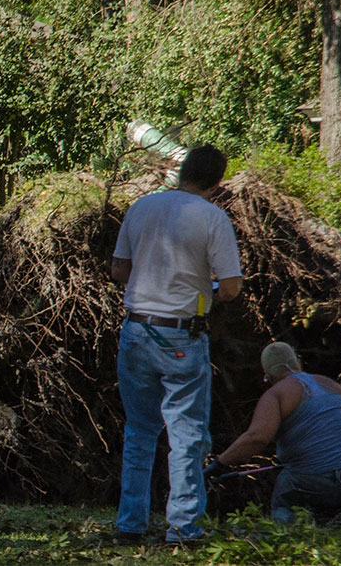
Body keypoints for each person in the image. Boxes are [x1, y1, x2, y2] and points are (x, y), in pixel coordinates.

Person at [110, 144, 243, 544]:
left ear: (182, 170)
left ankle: (129, 525)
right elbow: (232, 287)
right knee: (185, 435)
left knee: (139, 431)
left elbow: (119, 269)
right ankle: (184, 529)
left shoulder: (142, 207)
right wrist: (210, 289)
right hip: (181, 337)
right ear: (217, 181)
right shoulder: (213, 218)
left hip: (135, 330)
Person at [204, 342, 341, 525]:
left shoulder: (275, 395)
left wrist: (219, 464)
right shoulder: (329, 384)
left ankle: (304, 526)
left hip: (314, 480)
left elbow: (257, 438)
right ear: (297, 362)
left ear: (268, 376)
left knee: (283, 503)